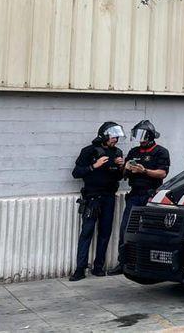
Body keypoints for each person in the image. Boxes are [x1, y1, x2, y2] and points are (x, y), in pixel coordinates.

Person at [70, 122, 125, 281]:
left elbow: (118, 177)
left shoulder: (117, 152)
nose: (115, 140)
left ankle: (98, 267)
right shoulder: (89, 151)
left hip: (108, 197)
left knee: (105, 232)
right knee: (86, 232)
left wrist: (120, 167)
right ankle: (80, 269)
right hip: (92, 197)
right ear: (104, 135)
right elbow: (76, 172)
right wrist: (94, 166)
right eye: (113, 137)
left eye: (117, 137)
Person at [116, 120, 170, 272]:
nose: (141, 140)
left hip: (150, 194)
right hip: (135, 194)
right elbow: (123, 175)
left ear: (150, 136)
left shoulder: (160, 151)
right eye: (139, 136)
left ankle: (150, 263)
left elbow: (162, 173)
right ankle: (123, 262)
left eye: (143, 136)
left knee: (149, 230)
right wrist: (125, 168)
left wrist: (144, 171)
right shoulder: (134, 152)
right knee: (126, 227)